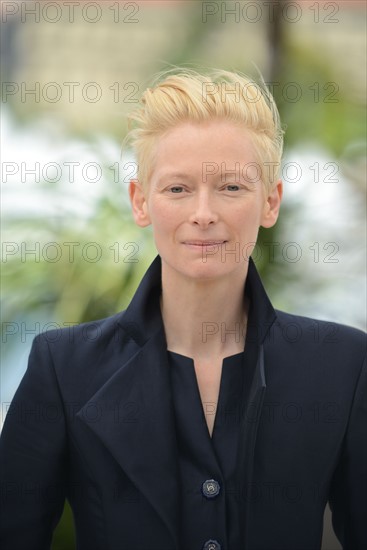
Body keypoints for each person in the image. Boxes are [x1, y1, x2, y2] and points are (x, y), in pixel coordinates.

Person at [0, 68, 366, 550]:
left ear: (271, 202)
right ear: (140, 201)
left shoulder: (342, 363)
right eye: (177, 188)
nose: (204, 212)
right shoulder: (63, 366)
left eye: (232, 187)